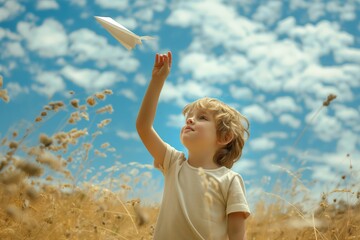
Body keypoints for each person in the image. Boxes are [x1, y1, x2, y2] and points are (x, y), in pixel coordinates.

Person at [136, 51, 251, 240]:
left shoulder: (230, 180)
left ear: (224, 137)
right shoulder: (173, 163)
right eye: (189, 117)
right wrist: (157, 81)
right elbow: (143, 127)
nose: (190, 120)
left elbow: (237, 234)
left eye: (202, 118)